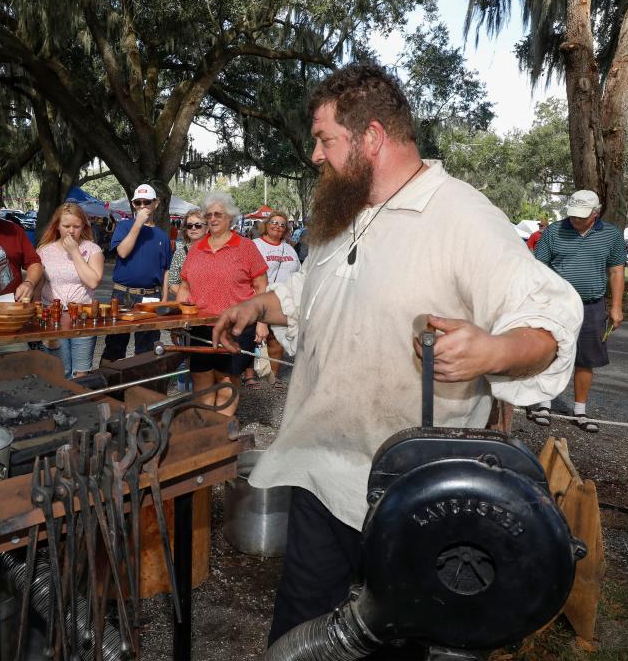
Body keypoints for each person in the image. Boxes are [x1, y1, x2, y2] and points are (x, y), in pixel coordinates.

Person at [211, 63, 583, 649]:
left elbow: (549, 316)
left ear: (372, 137)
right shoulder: (345, 213)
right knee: (300, 636)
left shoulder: (463, 216)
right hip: (317, 469)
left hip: (410, 499)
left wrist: (493, 349)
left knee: (395, 641)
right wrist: (259, 305)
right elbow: (315, 291)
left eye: (325, 139)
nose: (315, 155)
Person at [530, 190, 626, 432]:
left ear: (596, 213)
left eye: (582, 216)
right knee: (549, 352)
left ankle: (580, 411)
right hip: (556, 304)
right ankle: (544, 404)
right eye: (572, 215)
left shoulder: (611, 235)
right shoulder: (554, 231)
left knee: (586, 359)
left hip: (592, 306)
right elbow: (537, 266)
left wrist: (616, 306)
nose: (575, 220)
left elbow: (616, 271)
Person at [177, 192, 268, 415]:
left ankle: (221, 432)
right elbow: (185, 287)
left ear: (230, 217)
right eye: (208, 215)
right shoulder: (197, 248)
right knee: (201, 380)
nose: (212, 219)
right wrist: (178, 318)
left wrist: (262, 322)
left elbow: (262, 286)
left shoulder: (246, 247)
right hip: (201, 326)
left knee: (227, 381)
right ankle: (207, 431)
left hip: (236, 327)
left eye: (218, 214)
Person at [99, 184, 173, 363]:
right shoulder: (124, 226)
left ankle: (140, 387)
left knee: (146, 348)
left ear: (156, 204)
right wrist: (138, 223)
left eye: (146, 202)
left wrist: (164, 298)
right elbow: (122, 252)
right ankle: (110, 388)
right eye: (138, 202)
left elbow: (166, 270)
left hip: (150, 296)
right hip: (122, 294)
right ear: (133, 205)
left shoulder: (162, 235)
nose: (142, 206)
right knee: (114, 345)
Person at [37, 203, 104, 377]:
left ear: (83, 226)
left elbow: (93, 281)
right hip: (53, 317)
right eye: (66, 226)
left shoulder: (92, 249)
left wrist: (75, 252)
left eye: (76, 226)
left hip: (83, 316)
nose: (71, 231)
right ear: (57, 226)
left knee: (81, 372)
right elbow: (38, 285)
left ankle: (80, 402)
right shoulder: (44, 251)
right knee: (59, 371)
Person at [241, 209, 301, 391]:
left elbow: (297, 273)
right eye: (274, 222)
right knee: (252, 337)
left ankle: (273, 376)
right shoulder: (254, 245)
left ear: (287, 229)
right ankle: (249, 376)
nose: (278, 226)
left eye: (282, 224)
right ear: (266, 225)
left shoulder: (290, 249)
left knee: (277, 338)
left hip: (282, 300)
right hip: (257, 297)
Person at [167, 208, 206, 297]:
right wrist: (190, 299)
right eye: (189, 225)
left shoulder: (216, 251)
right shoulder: (180, 253)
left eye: (198, 225)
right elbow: (172, 283)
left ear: (207, 228)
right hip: (187, 305)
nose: (193, 228)